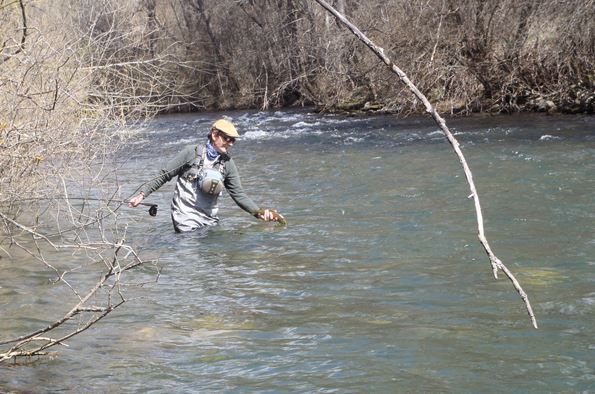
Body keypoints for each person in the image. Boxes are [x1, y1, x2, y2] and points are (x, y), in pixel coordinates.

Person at [128, 119, 285, 232]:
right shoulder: (191, 153)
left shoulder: (228, 163)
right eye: (227, 138)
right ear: (214, 134)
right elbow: (164, 175)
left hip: (209, 222)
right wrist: (142, 195)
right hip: (185, 221)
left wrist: (258, 213)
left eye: (233, 141)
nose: (230, 143)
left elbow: (239, 195)